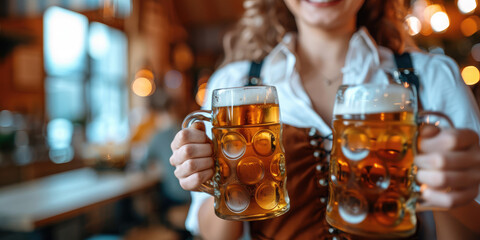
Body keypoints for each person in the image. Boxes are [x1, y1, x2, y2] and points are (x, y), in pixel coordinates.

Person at [169, 0, 480, 239]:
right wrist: (211, 182)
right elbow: (213, 235)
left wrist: (450, 191)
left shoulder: (432, 77)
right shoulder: (234, 85)